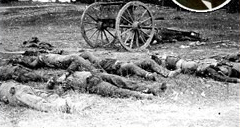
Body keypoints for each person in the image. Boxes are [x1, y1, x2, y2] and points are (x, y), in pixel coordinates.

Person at [11, 50, 169, 81]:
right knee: (129, 66)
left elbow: (83, 55)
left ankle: (164, 72)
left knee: (144, 62)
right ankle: (150, 74)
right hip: (110, 65)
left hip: (106, 63)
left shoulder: (43, 55)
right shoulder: (41, 58)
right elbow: (32, 65)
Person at [48, 71, 167, 99]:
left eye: (59, 75)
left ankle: (152, 89)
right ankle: (144, 96)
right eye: (58, 77)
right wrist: (52, 85)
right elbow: (57, 94)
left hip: (97, 75)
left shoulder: (71, 72)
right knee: (117, 91)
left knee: (123, 81)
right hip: (93, 84)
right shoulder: (65, 84)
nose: (61, 76)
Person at [151, 53, 240, 83]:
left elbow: (221, 78)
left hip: (183, 66)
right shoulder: (216, 67)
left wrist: (236, 80)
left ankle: (159, 62)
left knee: (180, 63)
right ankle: (159, 62)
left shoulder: (210, 70)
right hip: (183, 64)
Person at [0, 81, 71, 113]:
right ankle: (61, 109)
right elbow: (4, 100)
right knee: (36, 101)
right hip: (15, 93)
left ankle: (60, 101)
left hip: (21, 87)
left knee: (43, 94)